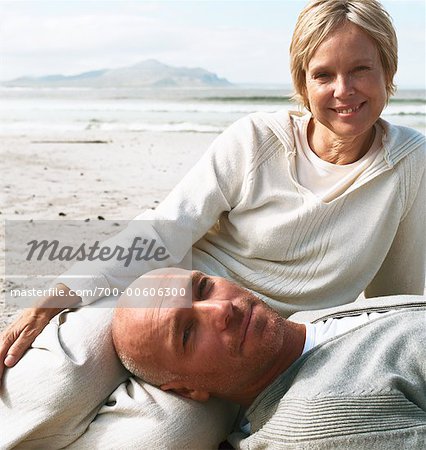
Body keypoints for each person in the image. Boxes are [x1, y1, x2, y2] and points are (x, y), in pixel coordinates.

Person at [1, 0, 424, 386]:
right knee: (54, 380)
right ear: (303, 84)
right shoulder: (257, 140)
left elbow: (397, 294)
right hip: (173, 301)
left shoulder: (410, 162)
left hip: (254, 350)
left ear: (388, 72)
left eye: (361, 70)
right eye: (323, 75)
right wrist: (53, 298)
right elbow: (163, 231)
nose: (343, 90)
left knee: (168, 436)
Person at [112, 269, 426, 449]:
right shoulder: (321, 422)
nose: (221, 310)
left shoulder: (306, 323)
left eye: (204, 288)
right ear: (186, 392)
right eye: (187, 332)